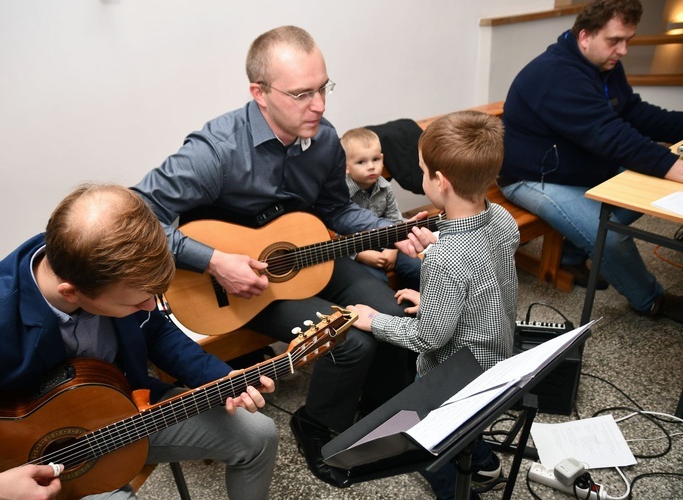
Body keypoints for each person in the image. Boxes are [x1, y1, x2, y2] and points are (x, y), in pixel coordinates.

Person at [131, 25, 419, 487]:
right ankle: (318, 426)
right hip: (242, 288)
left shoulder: (323, 139)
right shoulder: (217, 151)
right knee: (350, 340)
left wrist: (394, 231)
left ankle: (380, 419)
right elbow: (136, 217)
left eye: (324, 88)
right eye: (303, 93)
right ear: (259, 93)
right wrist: (213, 261)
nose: (321, 105)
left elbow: (335, 209)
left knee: (392, 318)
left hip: (308, 255)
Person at [0, 184, 278, 500]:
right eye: (135, 302)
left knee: (257, 434)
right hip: (15, 469)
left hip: (122, 409)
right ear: (72, 292)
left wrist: (217, 378)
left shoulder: (106, 263)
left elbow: (153, 328)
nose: (150, 307)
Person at [349, 110, 519, 500]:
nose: (421, 175)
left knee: (426, 443)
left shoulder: (444, 260)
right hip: (496, 360)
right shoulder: (503, 220)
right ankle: (484, 462)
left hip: (453, 378)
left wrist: (373, 320)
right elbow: (487, 286)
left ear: (440, 182)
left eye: (422, 170)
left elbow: (429, 336)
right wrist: (435, 296)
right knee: (467, 425)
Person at [498, 0, 683, 321]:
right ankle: (651, 301)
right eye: (615, 41)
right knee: (609, 236)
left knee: (648, 190)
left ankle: (571, 252)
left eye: (628, 40)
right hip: (533, 177)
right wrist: (673, 166)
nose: (623, 50)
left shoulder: (603, 64)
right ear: (585, 36)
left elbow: (634, 113)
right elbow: (611, 135)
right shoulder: (556, 74)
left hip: (580, 167)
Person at [341, 127, 422, 290]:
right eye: (361, 162)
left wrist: (392, 249)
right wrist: (360, 255)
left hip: (388, 244)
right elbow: (336, 235)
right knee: (376, 282)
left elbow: (394, 219)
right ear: (346, 166)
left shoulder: (385, 188)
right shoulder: (341, 193)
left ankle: (411, 305)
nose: (371, 166)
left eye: (376, 159)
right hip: (357, 252)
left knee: (417, 268)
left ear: (382, 158)